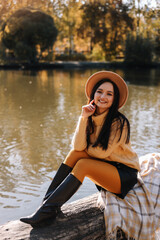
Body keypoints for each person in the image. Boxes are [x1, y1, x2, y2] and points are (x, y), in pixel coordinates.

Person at [20, 71, 140, 228]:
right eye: (99, 91)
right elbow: (78, 147)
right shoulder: (90, 116)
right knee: (76, 153)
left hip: (124, 176)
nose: (103, 97)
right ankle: (46, 206)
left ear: (114, 99)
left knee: (83, 163)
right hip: (106, 167)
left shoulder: (119, 122)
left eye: (109, 94)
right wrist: (83, 118)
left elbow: (101, 153)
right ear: (93, 94)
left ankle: (47, 211)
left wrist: (84, 152)